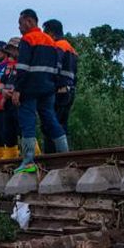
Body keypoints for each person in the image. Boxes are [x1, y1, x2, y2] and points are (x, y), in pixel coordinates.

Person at [13, 9, 68, 173]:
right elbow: (57, 67)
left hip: (29, 88)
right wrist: (55, 85)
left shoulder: (27, 39)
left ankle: (28, 161)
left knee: (27, 122)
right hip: (48, 88)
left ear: (29, 21)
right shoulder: (51, 41)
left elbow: (22, 68)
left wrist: (17, 90)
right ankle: (65, 156)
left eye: (20, 23)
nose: (19, 28)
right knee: (51, 119)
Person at [42, 19, 77, 154]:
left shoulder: (59, 46)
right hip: (69, 91)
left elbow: (54, 67)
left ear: (51, 33)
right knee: (62, 124)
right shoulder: (71, 48)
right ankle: (63, 156)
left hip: (59, 91)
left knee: (51, 125)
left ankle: (53, 158)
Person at [0, 38, 22, 160]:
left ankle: (35, 156)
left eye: (12, 48)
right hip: (8, 103)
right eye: (9, 49)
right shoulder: (8, 67)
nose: (10, 52)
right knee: (9, 133)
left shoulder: (24, 64)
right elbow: (1, 83)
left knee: (24, 131)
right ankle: (9, 161)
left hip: (20, 102)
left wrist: (16, 92)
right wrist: (3, 91)